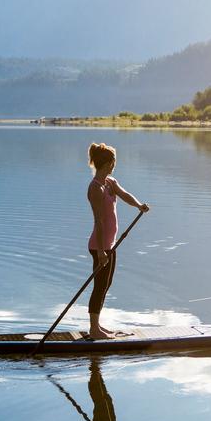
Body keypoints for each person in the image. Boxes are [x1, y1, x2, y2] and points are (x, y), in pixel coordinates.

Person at [87, 143, 150, 340]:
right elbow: (98, 221)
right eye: (113, 162)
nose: (115, 165)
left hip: (110, 244)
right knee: (99, 285)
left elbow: (125, 195)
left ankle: (97, 326)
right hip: (99, 246)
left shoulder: (110, 182)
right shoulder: (95, 188)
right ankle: (94, 329)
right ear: (107, 163)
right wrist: (100, 252)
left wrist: (139, 205)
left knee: (106, 284)